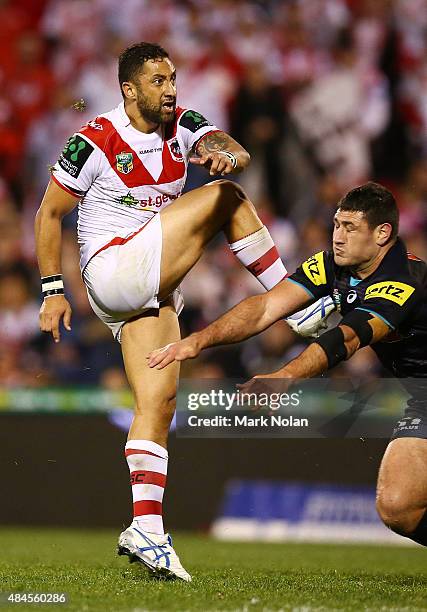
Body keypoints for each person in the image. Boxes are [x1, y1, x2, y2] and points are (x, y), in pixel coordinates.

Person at [34, 42, 289, 581]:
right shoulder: (93, 139)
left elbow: (228, 145)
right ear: (129, 89)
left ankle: (146, 529)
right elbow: (48, 212)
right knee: (227, 198)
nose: (170, 89)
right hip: (113, 266)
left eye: (172, 78)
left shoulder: (183, 122)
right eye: (157, 81)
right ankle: (298, 300)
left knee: (159, 400)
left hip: (149, 290)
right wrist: (53, 289)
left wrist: (227, 152)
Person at [148, 182, 427, 548]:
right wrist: (198, 340)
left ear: (383, 233)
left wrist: (285, 376)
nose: (338, 237)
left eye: (350, 228)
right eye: (336, 225)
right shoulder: (332, 265)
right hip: (421, 395)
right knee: (398, 507)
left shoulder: (402, 281)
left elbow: (348, 338)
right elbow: (266, 307)